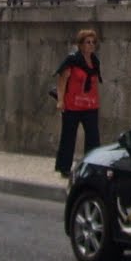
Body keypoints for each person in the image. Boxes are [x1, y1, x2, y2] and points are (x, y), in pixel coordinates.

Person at [54, 29, 102, 180]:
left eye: (93, 42)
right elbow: (62, 80)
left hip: (90, 105)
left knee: (93, 138)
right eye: (88, 42)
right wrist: (61, 100)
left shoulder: (95, 61)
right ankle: (64, 167)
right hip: (73, 105)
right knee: (68, 137)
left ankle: (91, 166)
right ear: (80, 45)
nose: (91, 45)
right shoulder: (72, 60)